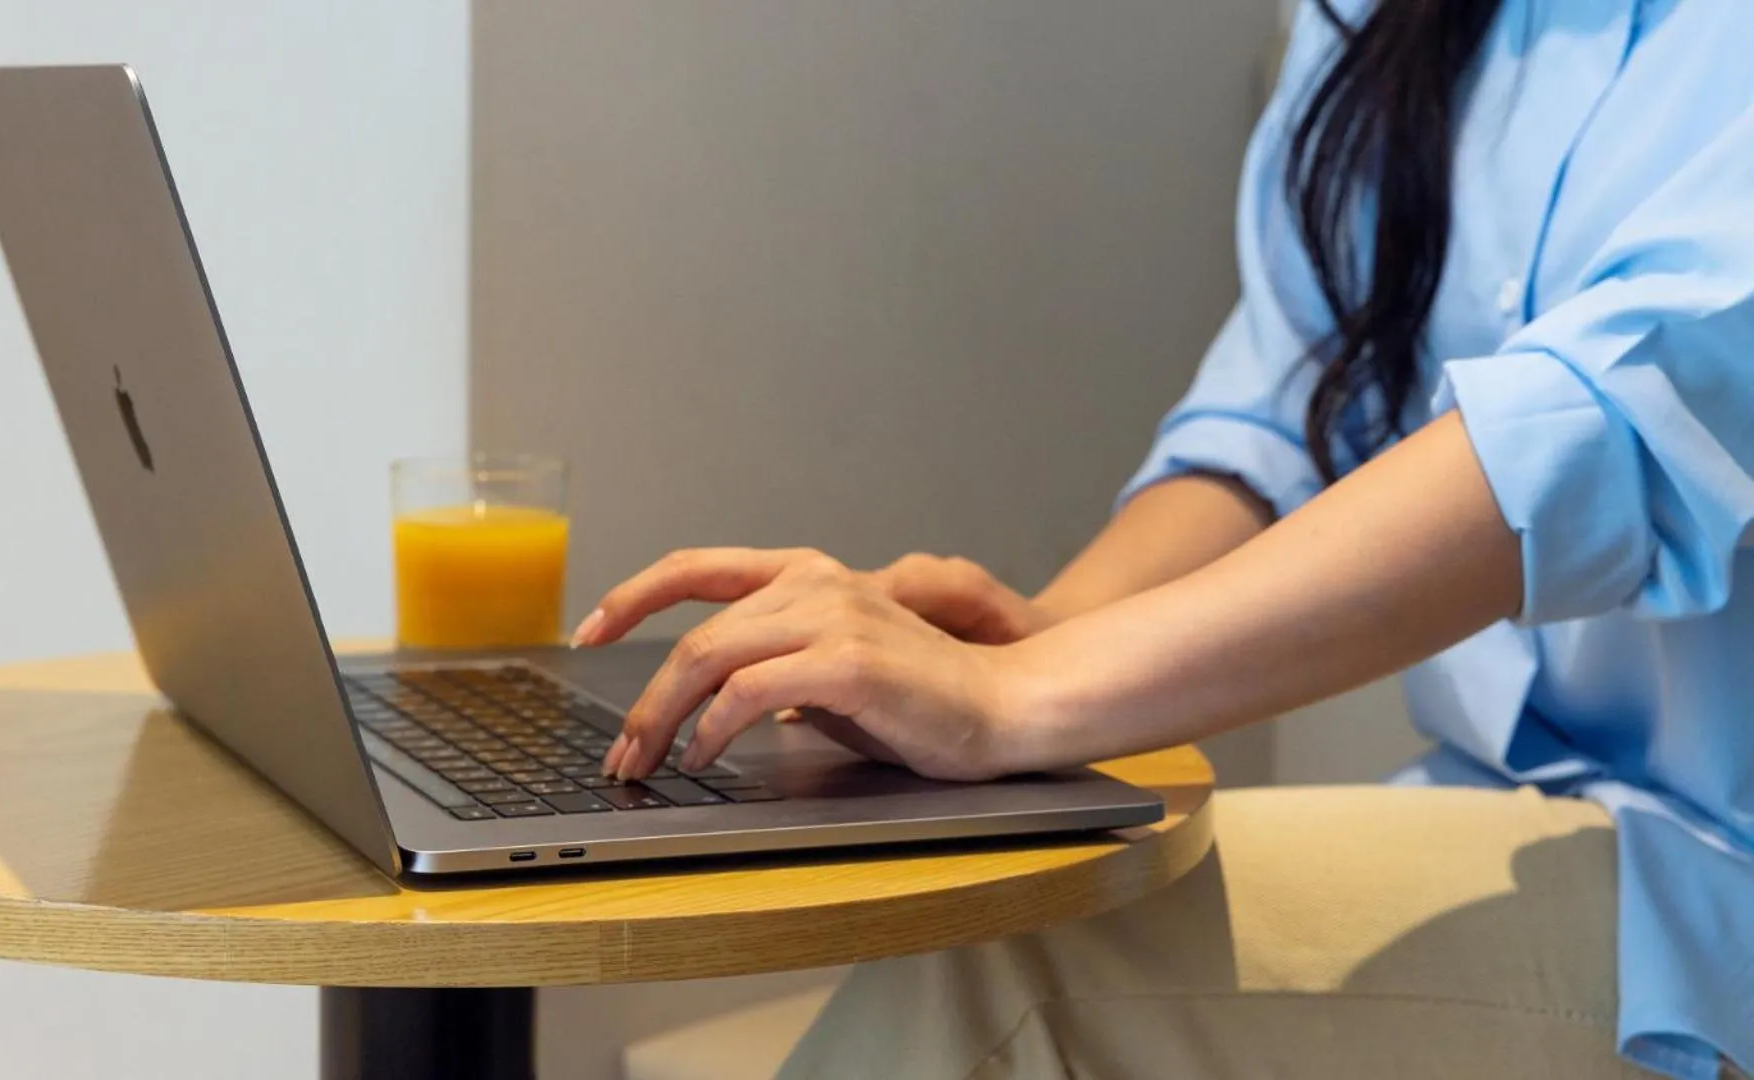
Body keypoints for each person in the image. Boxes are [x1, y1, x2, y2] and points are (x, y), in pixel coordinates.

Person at [570, 0, 1754, 1076]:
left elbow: (1615, 424)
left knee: (1012, 963)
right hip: (1497, 815)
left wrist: (1015, 696)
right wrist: (1041, 629)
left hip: (1714, 883)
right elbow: (1283, 416)